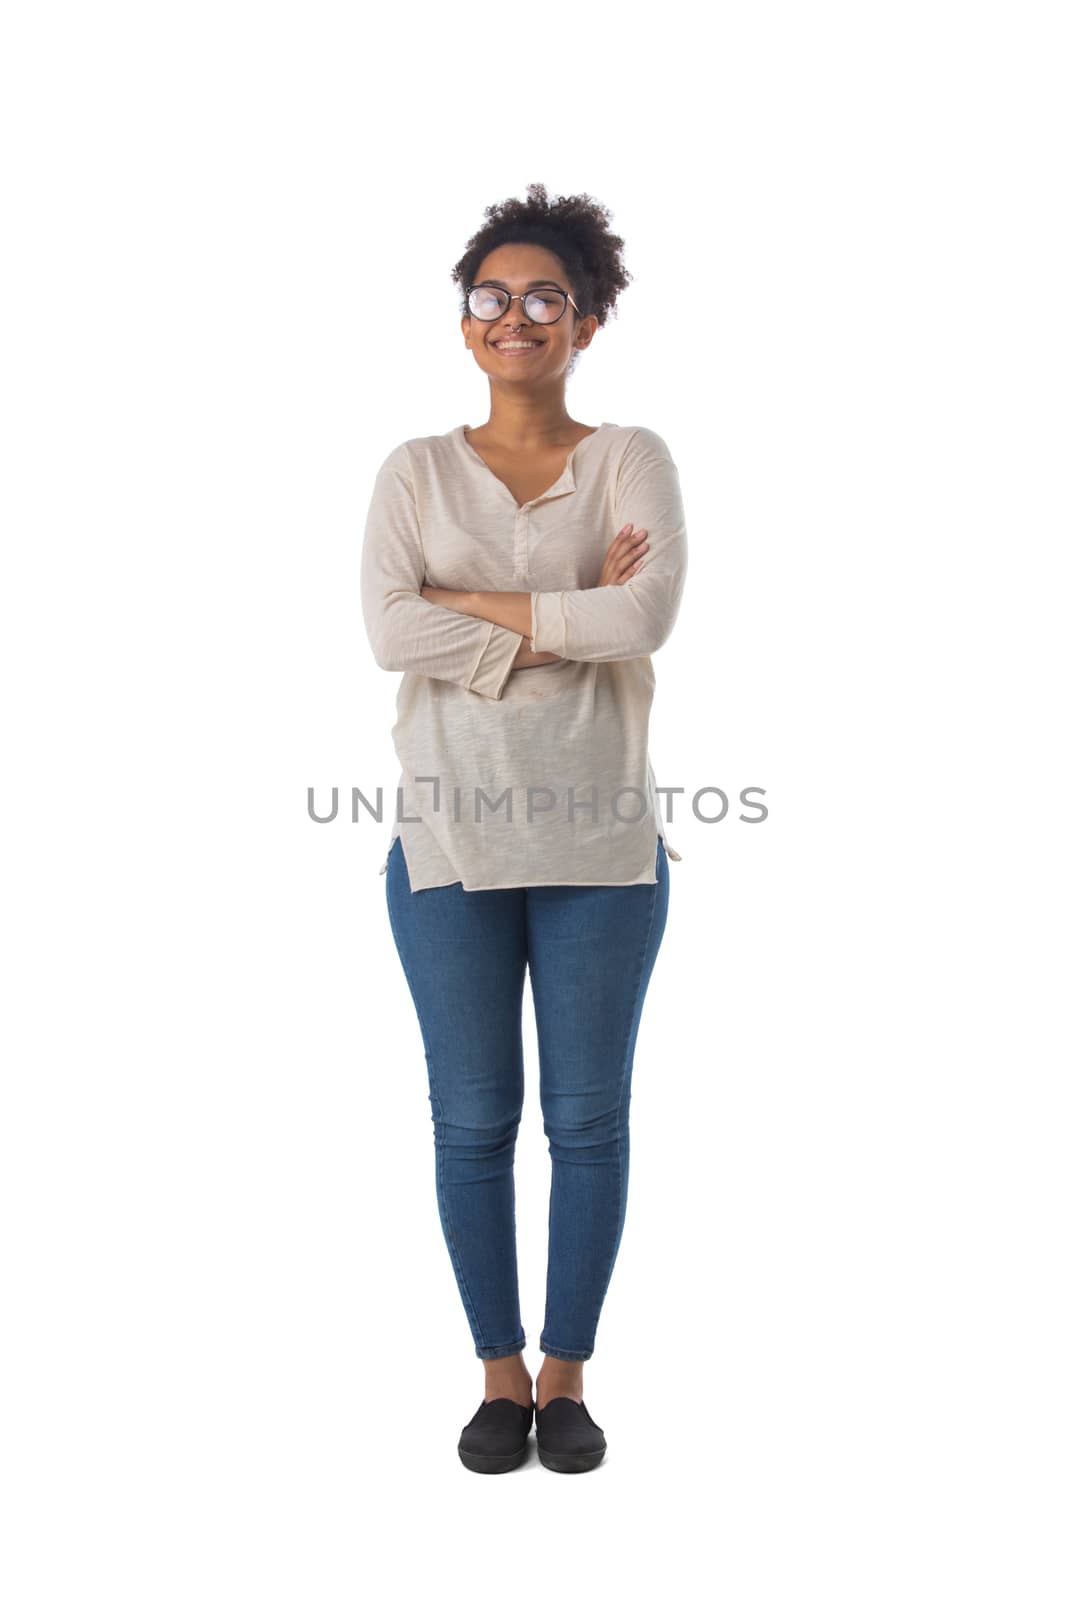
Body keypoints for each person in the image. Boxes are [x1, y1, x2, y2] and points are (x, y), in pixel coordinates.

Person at [360, 183, 688, 1473]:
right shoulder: (414, 470)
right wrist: (555, 615)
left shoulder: (632, 458)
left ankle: (569, 1373)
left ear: (586, 322)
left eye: (544, 298)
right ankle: (498, 1375)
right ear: (465, 324)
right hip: (448, 845)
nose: (514, 318)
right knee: (471, 1120)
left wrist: (463, 601)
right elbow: (389, 632)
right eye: (490, 298)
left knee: (590, 1122)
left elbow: (642, 620)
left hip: (606, 846)